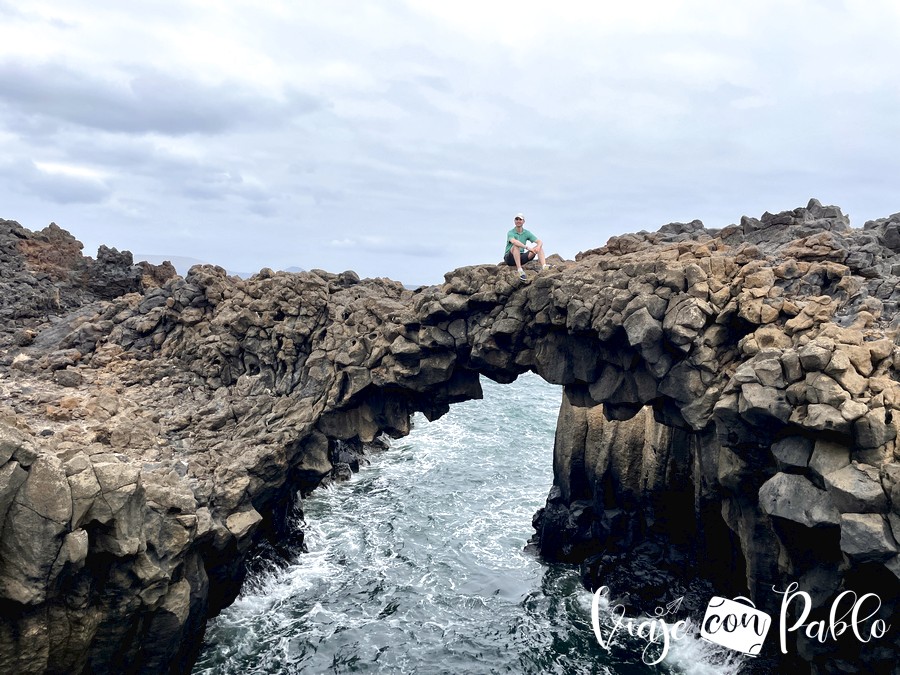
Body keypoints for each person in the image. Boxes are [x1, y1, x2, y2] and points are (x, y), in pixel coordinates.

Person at [504, 213, 551, 281]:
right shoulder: (511, 232)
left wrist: (538, 247)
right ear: (514, 221)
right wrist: (527, 247)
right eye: (516, 219)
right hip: (510, 258)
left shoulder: (526, 232)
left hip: (521, 257)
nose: (518, 221)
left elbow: (539, 241)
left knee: (539, 247)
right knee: (516, 246)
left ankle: (544, 266)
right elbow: (514, 242)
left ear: (523, 221)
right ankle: (520, 270)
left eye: (520, 219)